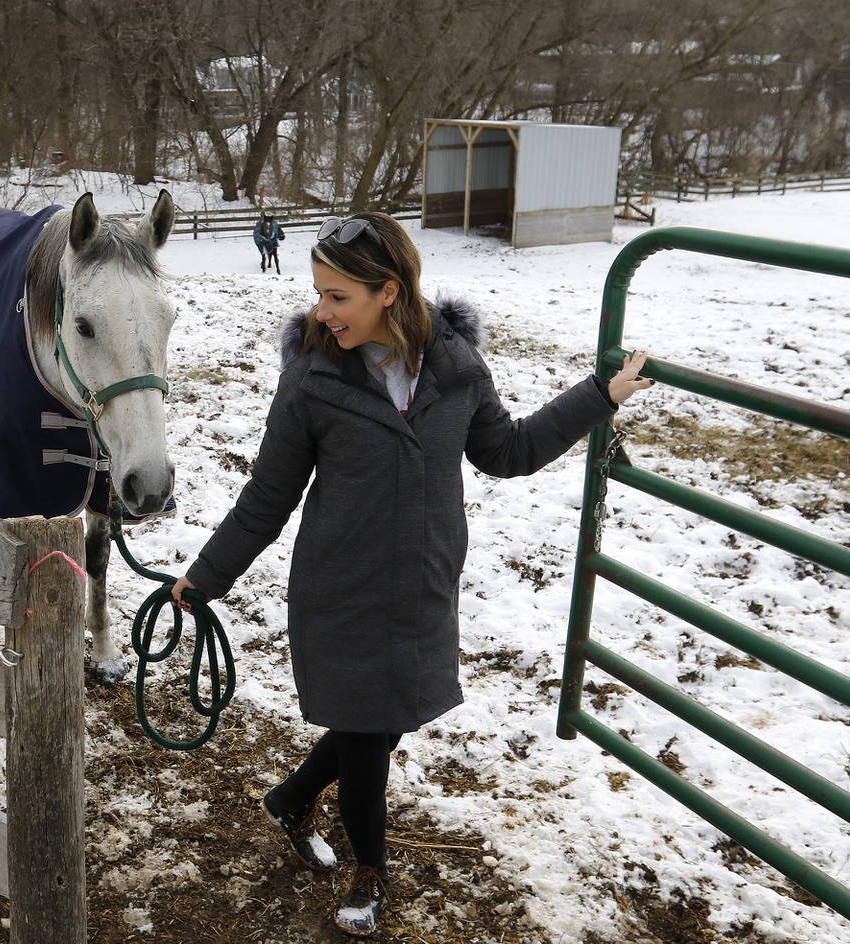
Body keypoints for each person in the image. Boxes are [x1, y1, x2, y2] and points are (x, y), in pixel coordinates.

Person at [170, 212, 652, 937]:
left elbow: (509, 451)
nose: (320, 312)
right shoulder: (312, 379)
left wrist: (598, 396)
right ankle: (371, 870)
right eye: (318, 294)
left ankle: (293, 799)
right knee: (366, 740)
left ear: (388, 291)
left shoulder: (455, 369)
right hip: (341, 590)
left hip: (424, 584)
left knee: (383, 725)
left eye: (338, 297)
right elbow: (267, 496)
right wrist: (202, 579)